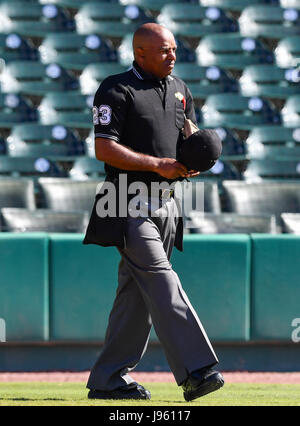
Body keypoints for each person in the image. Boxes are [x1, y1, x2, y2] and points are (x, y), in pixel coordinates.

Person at [83, 22, 224, 402]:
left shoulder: (180, 90)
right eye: (164, 50)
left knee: (135, 295)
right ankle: (197, 370)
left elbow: (185, 137)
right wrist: (155, 163)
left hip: (167, 203)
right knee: (160, 278)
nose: (173, 55)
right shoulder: (116, 89)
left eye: (175, 48)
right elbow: (104, 148)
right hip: (125, 201)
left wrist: (194, 155)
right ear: (140, 52)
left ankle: (108, 379)